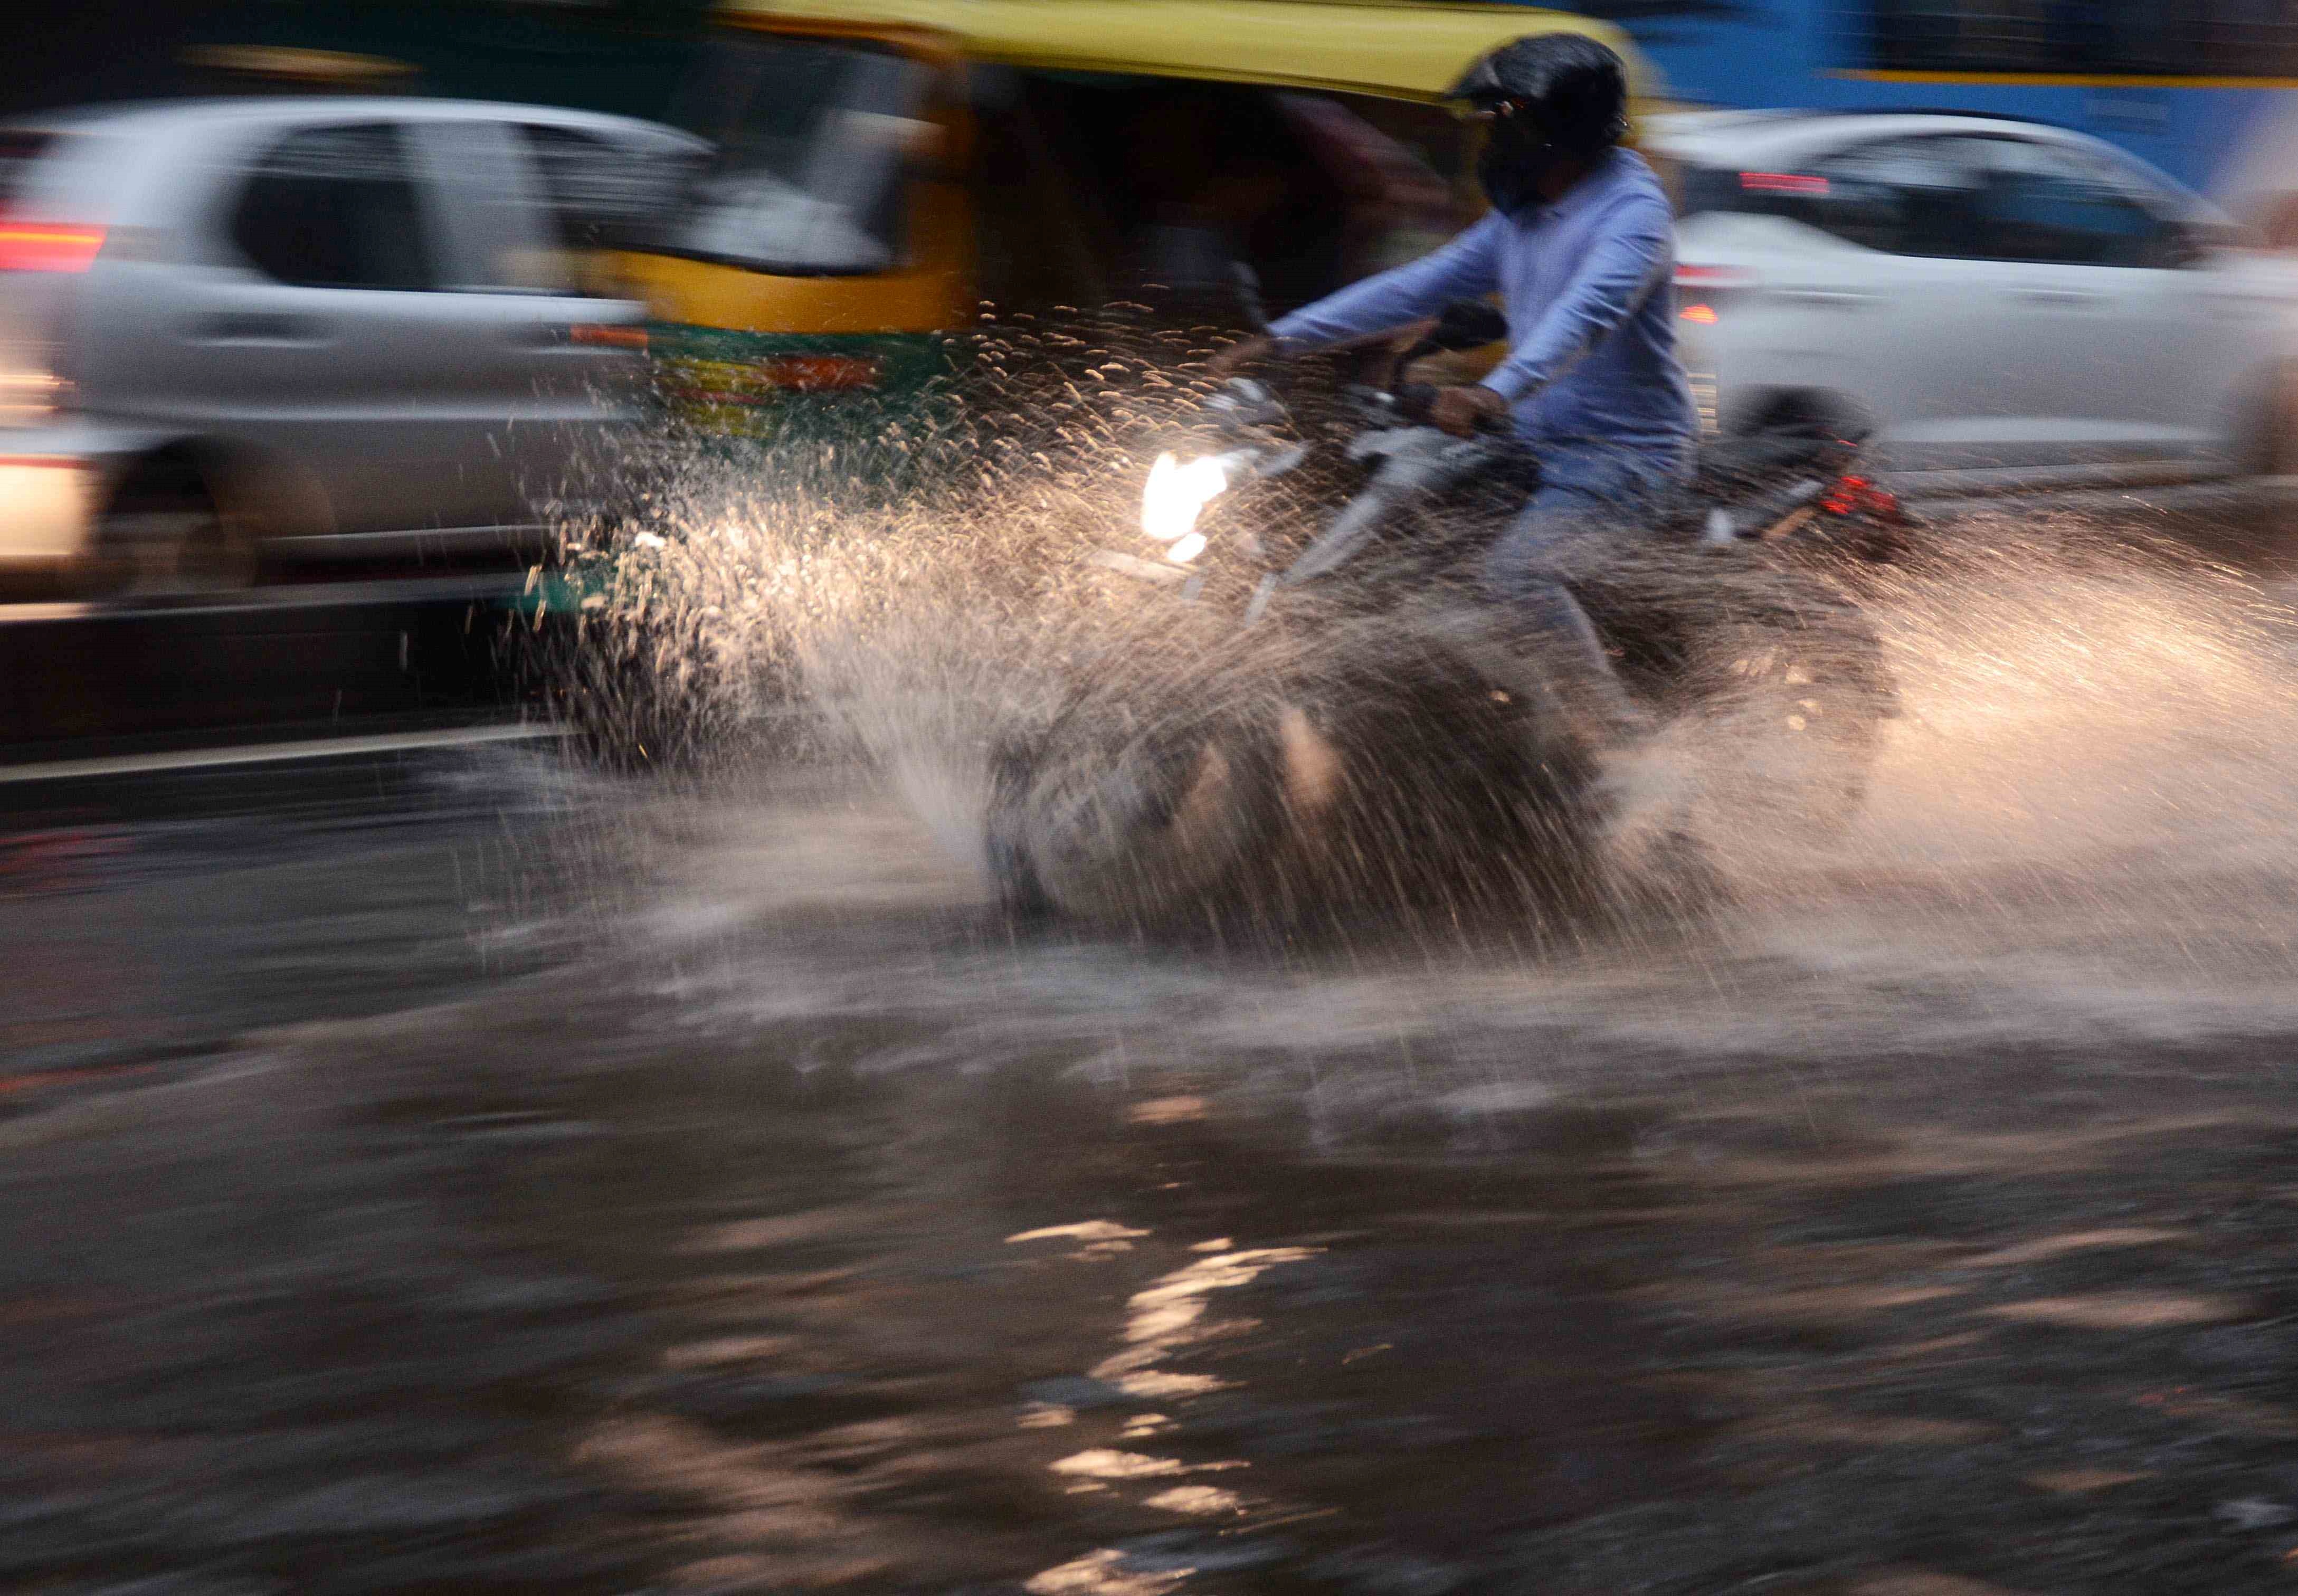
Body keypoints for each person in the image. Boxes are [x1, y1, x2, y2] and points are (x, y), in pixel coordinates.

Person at [1208, 33, 1696, 740]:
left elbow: (1584, 316)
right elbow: (1421, 285)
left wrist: (1493, 392)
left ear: (1552, 126)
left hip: (1619, 454)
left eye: (1500, 118)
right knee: (1399, 555)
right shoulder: (1524, 214)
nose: (1488, 138)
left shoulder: (1631, 218)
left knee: (1515, 578)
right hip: (1525, 442)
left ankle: (1615, 740)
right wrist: (1285, 338)